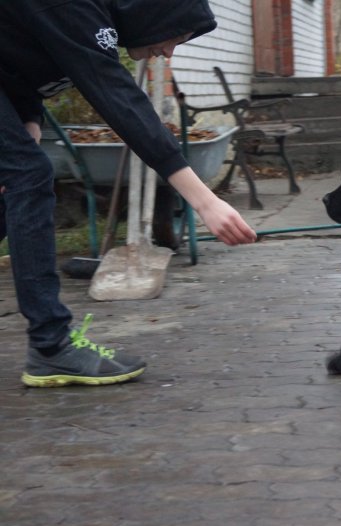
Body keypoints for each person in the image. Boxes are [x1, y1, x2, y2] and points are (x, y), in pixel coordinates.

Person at [0, 0, 257, 387]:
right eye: (175, 37)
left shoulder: (82, 15)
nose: (168, 52)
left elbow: (17, 54)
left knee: (17, 182)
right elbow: (117, 97)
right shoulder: (73, 6)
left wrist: (29, 121)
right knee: (30, 175)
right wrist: (204, 200)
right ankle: (50, 346)